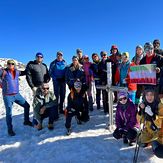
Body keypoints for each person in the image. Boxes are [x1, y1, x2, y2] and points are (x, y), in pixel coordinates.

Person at [0, 59, 32, 136]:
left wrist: (29, 65)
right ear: (7, 65)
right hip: (7, 96)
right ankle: (10, 130)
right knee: (9, 113)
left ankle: (26, 121)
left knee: (27, 106)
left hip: (17, 95)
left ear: (14, 65)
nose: (10, 65)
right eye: (9, 64)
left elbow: (25, 72)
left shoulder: (17, 72)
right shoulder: (4, 72)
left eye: (12, 64)